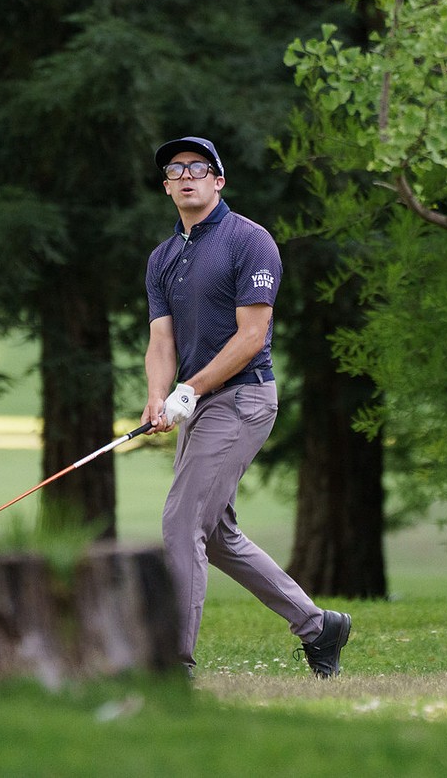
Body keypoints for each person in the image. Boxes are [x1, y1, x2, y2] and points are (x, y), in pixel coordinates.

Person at [141, 135, 351, 678]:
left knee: (181, 521)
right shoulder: (162, 258)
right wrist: (158, 397)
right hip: (200, 403)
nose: (186, 175)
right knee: (214, 534)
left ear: (219, 180)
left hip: (243, 397)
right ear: (167, 187)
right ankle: (317, 625)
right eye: (175, 169)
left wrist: (190, 389)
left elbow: (252, 336)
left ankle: (173, 663)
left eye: (198, 167)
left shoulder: (249, 241)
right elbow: (161, 341)